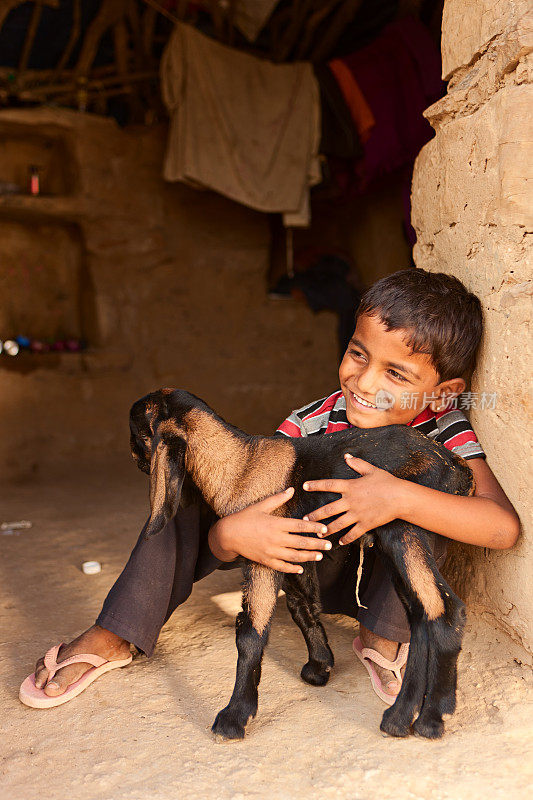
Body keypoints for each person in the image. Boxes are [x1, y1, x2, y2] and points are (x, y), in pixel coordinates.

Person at [21, 269, 519, 708]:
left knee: (428, 497)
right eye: (357, 353)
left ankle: (383, 634)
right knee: (183, 491)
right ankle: (115, 631)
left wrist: (400, 496)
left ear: (441, 391)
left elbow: (500, 526)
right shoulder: (310, 422)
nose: (364, 382)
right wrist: (229, 537)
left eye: (395, 372)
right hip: (302, 566)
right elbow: (257, 513)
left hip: (377, 579)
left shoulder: (446, 430)